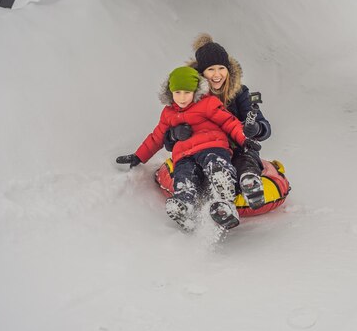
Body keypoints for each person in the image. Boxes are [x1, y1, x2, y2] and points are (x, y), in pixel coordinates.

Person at [116, 66, 261, 231]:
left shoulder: (208, 103)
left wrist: (244, 139)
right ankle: (185, 206)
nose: (182, 98)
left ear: (196, 91)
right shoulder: (168, 113)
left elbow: (229, 122)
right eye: (178, 93)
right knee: (183, 176)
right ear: (170, 93)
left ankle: (225, 204)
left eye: (187, 92)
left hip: (211, 147)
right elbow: (156, 137)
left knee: (217, 167)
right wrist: (139, 156)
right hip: (184, 155)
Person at [164, 33, 271, 210]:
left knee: (245, 156)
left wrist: (256, 129)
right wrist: (174, 134)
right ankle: (191, 201)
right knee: (194, 167)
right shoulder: (190, 97)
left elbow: (264, 126)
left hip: (236, 148)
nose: (217, 75)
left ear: (228, 70)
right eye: (210, 69)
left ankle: (249, 182)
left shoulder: (240, 93)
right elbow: (166, 135)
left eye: (221, 68)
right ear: (201, 73)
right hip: (204, 152)